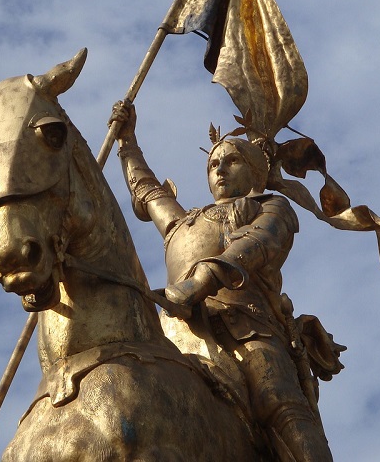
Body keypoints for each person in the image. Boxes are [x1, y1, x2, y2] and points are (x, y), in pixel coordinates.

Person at [111, 101, 333, 462]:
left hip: (248, 330)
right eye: (213, 164)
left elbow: (258, 243)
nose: (220, 170)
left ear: (255, 171)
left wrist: (201, 281)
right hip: (178, 330)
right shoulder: (182, 223)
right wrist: (127, 142)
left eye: (231, 161)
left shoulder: (271, 207)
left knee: (277, 399)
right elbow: (146, 190)